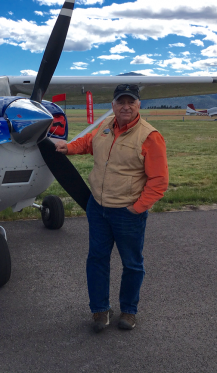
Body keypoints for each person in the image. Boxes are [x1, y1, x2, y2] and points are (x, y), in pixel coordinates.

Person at [55, 84, 169, 333]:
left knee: (132, 263)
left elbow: (159, 181)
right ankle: (99, 310)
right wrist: (68, 147)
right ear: (113, 105)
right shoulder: (107, 126)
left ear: (139, 105)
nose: (125, 106)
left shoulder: (150, 136)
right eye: (121, 101)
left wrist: (137, 209)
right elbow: (89, 142)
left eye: (131, 102)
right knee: (96, 260)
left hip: (127, 212)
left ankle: (129, 310)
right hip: (97, 208)